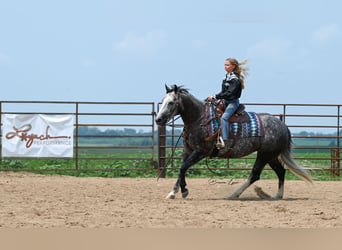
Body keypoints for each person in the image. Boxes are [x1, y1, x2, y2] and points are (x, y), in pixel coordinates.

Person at [208, 57, 248, 149]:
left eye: (227, 65)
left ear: (233, 66)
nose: (225, 67)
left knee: (224, 118)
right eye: (224, 65)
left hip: (233, 103)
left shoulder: (235, 79)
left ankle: (225, 140)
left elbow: (230, 93)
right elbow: (223, 92)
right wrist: (217, 98)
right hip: (224, 101)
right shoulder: (226, 77)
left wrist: (215, 96)